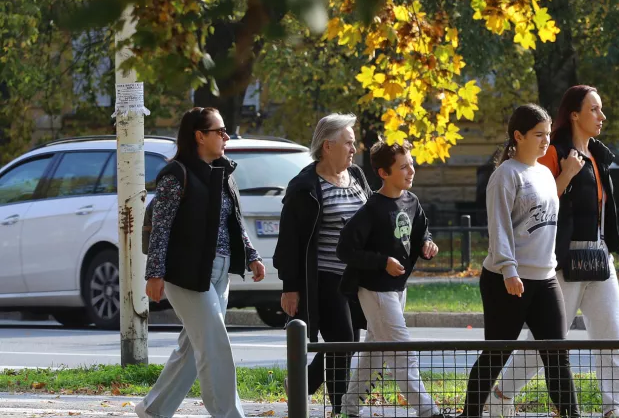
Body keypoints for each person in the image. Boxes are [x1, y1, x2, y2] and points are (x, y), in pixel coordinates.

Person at [488, 86, 619, 418]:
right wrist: (567, 174)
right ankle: (500, 396)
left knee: (611, 337)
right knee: (548, 341)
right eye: (594, 110)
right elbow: (538, 206)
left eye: (601, 109)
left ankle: (614, 410)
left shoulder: (598, 154)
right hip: (562, 259)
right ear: (575, 114)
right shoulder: (553, 153)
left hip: (598, 256)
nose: (601, 116)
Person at [137, 107, 266, 418]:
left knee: (193, 349)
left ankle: (153, 410)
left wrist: (252, 255)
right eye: (219, 131)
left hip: (220, 272)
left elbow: (232, 220)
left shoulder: (222, 172)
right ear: (199, 135)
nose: (225, 136)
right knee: (214, 345)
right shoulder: (176, 174)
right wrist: (154, 274)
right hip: (187, 274)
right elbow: (162, 228)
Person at [458, 104, 580, 418]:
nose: (545, 141)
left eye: (548, 135)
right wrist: (509, 270)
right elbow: (498, 226)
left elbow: (544, 217)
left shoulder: (542, 172)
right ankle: (470, 413)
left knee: (557, 356)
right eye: (538, 135)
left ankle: (572, 414)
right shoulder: (505, 175)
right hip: (507, 280)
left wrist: (565, 174)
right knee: (496, 355)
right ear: (518, 135)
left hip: (545, 276)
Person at [337, 139, 446, 418]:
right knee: (401, 350)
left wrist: (427, 244)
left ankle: (348, 409)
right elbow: (346, 249)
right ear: (384, 173)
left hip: (398, 289)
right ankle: (429, 411)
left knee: (374, 353)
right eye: (403, 167)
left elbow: (422, 232)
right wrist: (382, 262)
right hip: (375, 290)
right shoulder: (372, 209)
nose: (411, 171)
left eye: (411, 165)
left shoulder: (412, 201)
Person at [273, 113, 372, 415]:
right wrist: (290, 287)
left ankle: (303, 383)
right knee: (342, 341)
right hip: (325, 278)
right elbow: (289, 242)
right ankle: (340, 408)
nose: (354, 149)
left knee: (347, 342)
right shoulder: (305, 186)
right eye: (349, 143)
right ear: (328, 146)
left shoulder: (356, 176)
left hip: (357, 278)